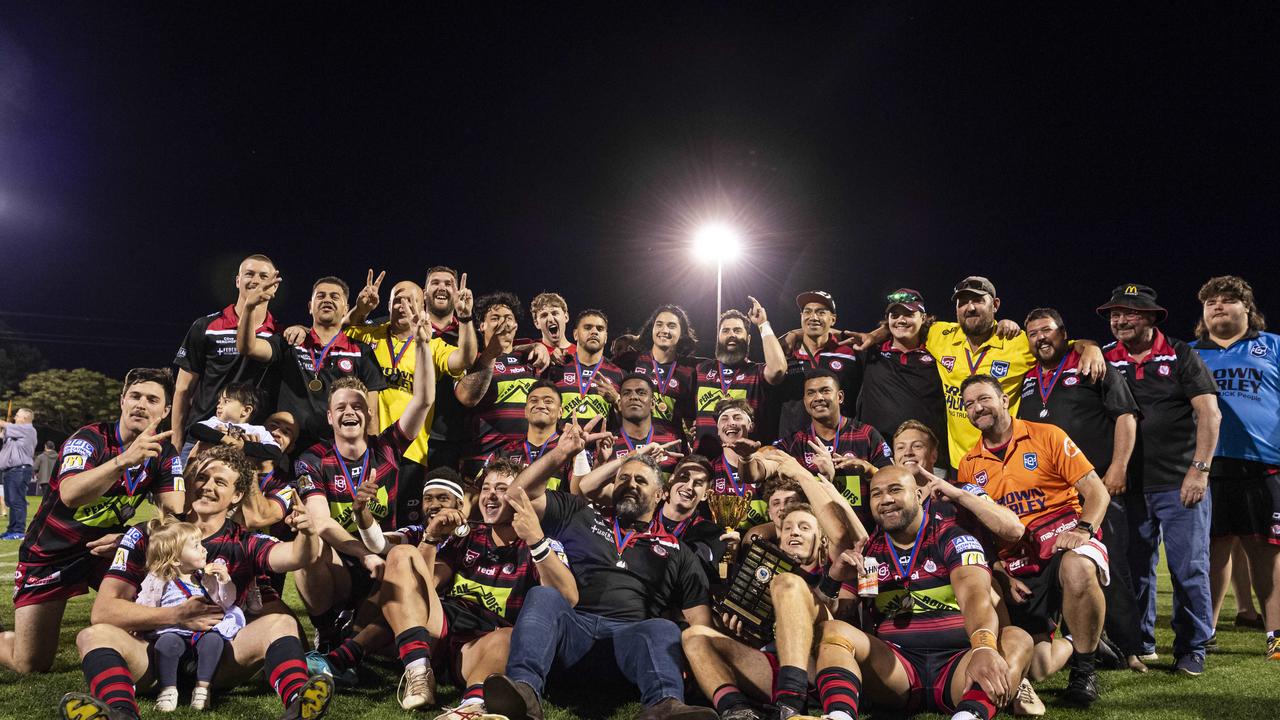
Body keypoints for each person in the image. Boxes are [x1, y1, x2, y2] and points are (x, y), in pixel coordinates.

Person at [59, 445, 333, 720]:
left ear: (237, 495)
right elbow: (103, 611)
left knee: (281, 623)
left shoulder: (244, 541)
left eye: (220, 481)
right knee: (92, 635)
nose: (207, 486)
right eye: (202, 477)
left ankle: (300, 705)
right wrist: (176, 615)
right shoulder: (147, 534)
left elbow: (296, 556)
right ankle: (121, 713)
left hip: (219, 657)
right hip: (153, 656)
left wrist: (308, 533)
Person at [483, 423, 717, 720]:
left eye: (640, 481)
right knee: (544, 595)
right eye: (623, 478)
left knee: (662, 628)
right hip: (570, 635)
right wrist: (562, 452)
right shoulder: (581, 512)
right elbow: (518, 494)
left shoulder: (678, 551)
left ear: (660, 495)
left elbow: (700, 622)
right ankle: (524, 692)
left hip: (628, 648)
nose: (630, 484)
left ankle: (664, 705)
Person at [811, 466, 1034, 720]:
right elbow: (841, 613)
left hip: (958, 664)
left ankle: (968, 716)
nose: (886, 499)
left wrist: (983, 648)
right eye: (876, 494)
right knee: (832, 631)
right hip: (897, 669)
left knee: (1018, 639)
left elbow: (976, 597)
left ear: (918, 496)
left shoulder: (952, 537)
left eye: (895, 490)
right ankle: (839, 716)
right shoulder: (869, 551)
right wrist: (834, 578)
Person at [1, 369, 185, 675]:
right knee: (30, 663)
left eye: (152, 399)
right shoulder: (89, 438)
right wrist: (124, 461)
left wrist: (129, 539)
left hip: (105, 552)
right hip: (51, 553)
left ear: (165, 411)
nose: (141, 404)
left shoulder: (164, 453)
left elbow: (173, 514)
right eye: (135, 396)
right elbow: (71, 494)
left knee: (159, 579)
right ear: (122, 401)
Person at [364, 459, 577, 718]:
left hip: (483, 649)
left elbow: (568, 598)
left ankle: (470, 707)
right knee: (401, 554)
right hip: (437, 635)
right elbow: (422, 587)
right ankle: (418, 670)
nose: (490, 495)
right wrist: (431, 538)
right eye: (486, 488)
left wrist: (535, 540)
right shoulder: (467, 536)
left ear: (522, 496)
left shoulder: (543, 545)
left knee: (510, 636)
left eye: (501, 489)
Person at [956, 374, 1111, 706]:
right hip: (1018, 562)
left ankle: (1084, 673)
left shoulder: (1048, 435)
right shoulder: (968, 465)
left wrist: (1083, 530)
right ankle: (1080, 641)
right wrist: (1000, 572)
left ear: (1004, 401)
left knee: (1079, 566)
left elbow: (1097, 492)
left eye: (983, 398)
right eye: (969, 403)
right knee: (1037, 666)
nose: (977, 407)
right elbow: (982, 533)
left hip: (1062, 539)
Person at [679, 448, 864, 720]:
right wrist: (743, 629)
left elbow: (838, 616)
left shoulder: (835, 563)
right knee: (693, 637)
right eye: (788, 528)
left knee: (789, 584)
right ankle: (738, 711)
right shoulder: (764, 567)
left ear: (821, 538)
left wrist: (798, 471)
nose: (794, 532)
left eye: (804, 527)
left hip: (821, 665)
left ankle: (791, 704)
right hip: (772, 665)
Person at [293, 306, 435, 651]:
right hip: (346, 557)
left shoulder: (387, 446)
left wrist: (421, 346)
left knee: (369, 628)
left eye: (357, 406)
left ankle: (357, 629)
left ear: (368, 412)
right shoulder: (313, 458)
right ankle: (326, 630)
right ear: (329, 417)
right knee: (309, 547)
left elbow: (424, 399)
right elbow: (323, 522)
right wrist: (362, 554)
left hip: (383, 551)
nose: (349, 412)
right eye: (340, 407)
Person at [1100, 283, 1220, 676]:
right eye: (1115, 314)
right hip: (1127, 486)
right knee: (1134, 569)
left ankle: (1193, 647)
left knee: (1189, 568)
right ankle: (1139, 643)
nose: (1119, 320)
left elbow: (1209, 414)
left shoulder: (1181, 353)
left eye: (1129, 312)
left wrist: (1199, 471)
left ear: (1152, 317)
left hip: (1179, 482)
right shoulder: (1103, 358)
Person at [1018, 307, 1147, 671]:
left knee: (1112, 566)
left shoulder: (1093, 365)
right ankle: (1083, 639)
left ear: (1064, 334)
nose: (1041, 338)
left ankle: (1130, 648)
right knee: (1057, 568)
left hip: (1095, 486)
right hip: (1050, 497)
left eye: (1047, 330)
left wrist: (1118, 467)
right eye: (1034, 333)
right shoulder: (1028, 378)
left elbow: (1125, 415)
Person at [1190, 275, 1280, 660]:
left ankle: (1276, 633)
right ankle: (1204, 633)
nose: (1218, 306)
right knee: (1213, 551)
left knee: (1267, 551)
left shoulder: (1272, 346)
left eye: (1228, 300)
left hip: (1264, 465)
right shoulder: (1190, 353)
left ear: (1248, 308)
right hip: (1207, 466)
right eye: (1210, 302)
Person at [342, 272, 474, 525]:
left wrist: (466, 319)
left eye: (409, 300)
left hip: (412, 451)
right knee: (363, 517)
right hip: (369, 448)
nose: (401, 305)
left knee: (403, 523)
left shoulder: (432, 344)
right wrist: (360, 309)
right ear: (388, 305)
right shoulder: (373, 334)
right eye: (396, 300)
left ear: (422, 305)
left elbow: (464, 359)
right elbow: (344, 331)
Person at [236, 274, 387, 449]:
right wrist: (249, 307)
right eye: (321, 296)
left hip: (338, 450)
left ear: (346, 309)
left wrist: (373, 457)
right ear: (310, 307)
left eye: (334, 297)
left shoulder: (361, 351)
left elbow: (371, 413)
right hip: (288, 447)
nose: (327, 300)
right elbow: (248, 347)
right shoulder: (290, 342)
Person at [171, 254, 280, 458]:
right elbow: (183, 388)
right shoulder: (206, 326)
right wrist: (177, 439)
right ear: (238, 281)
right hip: (201, 438)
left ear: (274, 286)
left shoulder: (279, 335)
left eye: (263, 276)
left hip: (251, 442)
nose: (255, 280)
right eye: (249, 274)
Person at [134, 519, 243, 712]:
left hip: (202, 632)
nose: (203, 549)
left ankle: (203, 688)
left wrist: (225, 581)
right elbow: (146, 603)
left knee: (214, 641)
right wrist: (139, 627)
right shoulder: (159, 580)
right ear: (176, 559)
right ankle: (168, 689)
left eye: (201, 544)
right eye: (196, 546)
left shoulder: (204, 577)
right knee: (166, 644)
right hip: (171, 631)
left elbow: (225, 601)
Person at [779, 369, 893, 530]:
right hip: (815, 535)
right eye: (811, 393)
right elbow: (768, 455)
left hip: (863, 533)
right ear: (805, 401)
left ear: (840, 397)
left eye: (825, 391)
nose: (818, 398)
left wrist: (867, 468)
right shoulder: (795, 442)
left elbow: (892, 478)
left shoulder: (867, 435)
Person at [458, 291, 551, 480]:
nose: (503, 322)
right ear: (481, 326)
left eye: (509, 318)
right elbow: (466, 398)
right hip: (484, 462)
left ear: (516, 325)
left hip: (527, 463)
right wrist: (492, 353)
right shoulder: (474, 360)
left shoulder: (532, 360)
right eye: (495, 317)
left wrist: (538, 346)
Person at [857, 288, 949, 470]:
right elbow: (825, 335)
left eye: (908, 314)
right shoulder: (870, 352)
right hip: (878, 460)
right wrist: (795, 334)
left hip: (930, 462)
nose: (901, 320)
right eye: (895, 315)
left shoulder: (939, 353)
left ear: (923, 318)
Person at [692, 301, 787, 451]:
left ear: (748, 339)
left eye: (737, 330)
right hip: (705, 461)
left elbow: (778, 369)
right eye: (725, 331)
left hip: (744, 461)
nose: (731, 335)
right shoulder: (700, 370)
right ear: (718, 337)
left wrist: (763, 324)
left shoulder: (756, 372)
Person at [774, 290, 862, 439]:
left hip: (840, 443)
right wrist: (793, 333)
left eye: (821, 312)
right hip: (793, 444)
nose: (813, 317)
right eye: (807, 312)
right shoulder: (785, 354)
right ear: (801, 317)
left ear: (833, 319)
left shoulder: (849, 353)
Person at [614, 304, 701, 444]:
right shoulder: (631, 360)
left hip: (672, 447)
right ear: (652, 329)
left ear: (682, 333)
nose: (664, 330)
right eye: (659, 324)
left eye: (671, 326)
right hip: (633, 443)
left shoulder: (690, 369)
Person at [544, 309, 623, 422]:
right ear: (575, 334)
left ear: (605, 337)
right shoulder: (557, 367)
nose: (594, 332)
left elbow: (630, 417)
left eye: (600, 329)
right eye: (587, 327)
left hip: (602, 439)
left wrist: (616, 398)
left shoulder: (619, 374)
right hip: (563, 439)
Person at [601, 374, 686, 477]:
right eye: (627, 393)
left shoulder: (673, 439)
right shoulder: (609, 443)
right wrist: (600, 461)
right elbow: (592, 488)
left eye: (641, 393)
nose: (634, 397)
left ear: (652, 404)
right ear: (619, 404)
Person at [0, 407, 37, 539]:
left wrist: (4, 424)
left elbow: (4, 424)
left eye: (17, 415)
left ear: (25, 418)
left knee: (17, 501)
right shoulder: (16, 432)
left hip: (19, 470)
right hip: (11, 471)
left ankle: (18, 531)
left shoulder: (27, 429)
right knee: (11, 501)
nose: (14, 418)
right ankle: (12, 529)